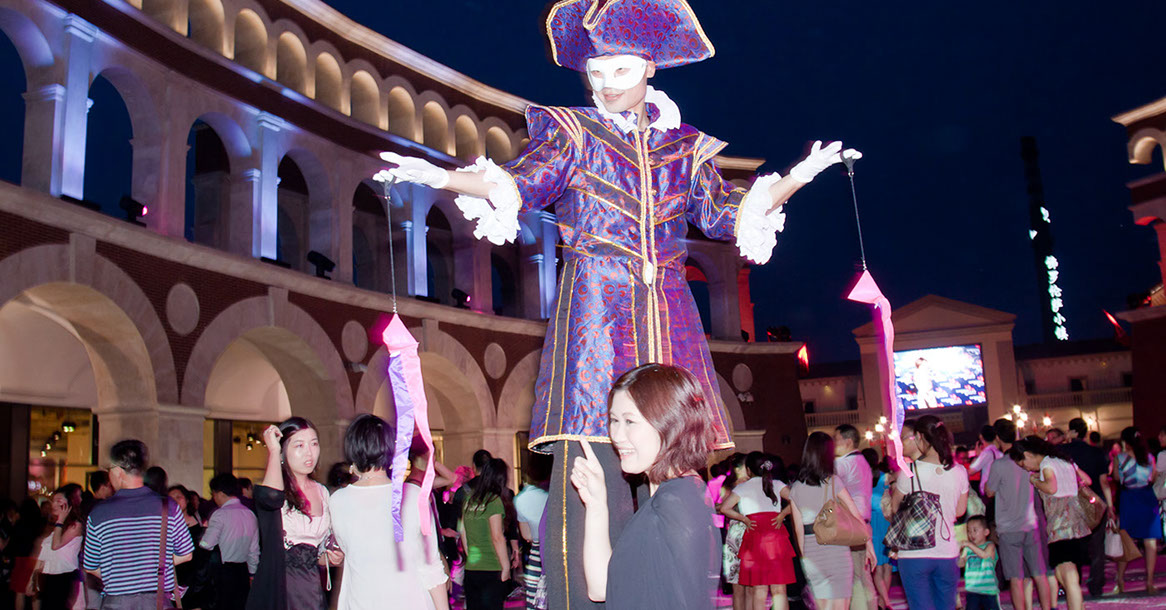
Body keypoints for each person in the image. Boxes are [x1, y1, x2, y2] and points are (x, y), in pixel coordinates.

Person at [378, 2, 859, 604]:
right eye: (596, 72)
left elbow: (726, 213)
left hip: (669, 317)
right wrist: (442, 178)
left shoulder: (685, 149)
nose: (605, 84)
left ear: (650, 68)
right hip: (595, 320)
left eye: (621, 70)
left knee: (674, 472)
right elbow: (519, 182)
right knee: (592, 467)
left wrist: (797, 178)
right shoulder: (573, 133)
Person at [569, 363, 721, 609]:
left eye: (630, 421)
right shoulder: (675, 494)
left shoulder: (676, 499)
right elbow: (601, 588)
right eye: (614, 420)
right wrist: (596, 503)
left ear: (670, 423)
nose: (617, 435)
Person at [329, 415, 448, 610]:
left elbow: (345, 552)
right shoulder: (413, 496)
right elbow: (431, 567)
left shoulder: (337, 501)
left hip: (361, 602)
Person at [82, 440, 194, 609]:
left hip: (117, 603)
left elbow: (90, 566)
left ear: (118, 471)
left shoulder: (99, 513)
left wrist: (119, 572)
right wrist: (151, 567)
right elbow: (186, 554)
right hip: (157, 602)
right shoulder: (168, 506)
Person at [247, 417, 343, 610]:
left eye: (314, 444)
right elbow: (271, 497)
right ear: (283, 451)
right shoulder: (276, 490)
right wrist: (273, 451)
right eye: (299, 445)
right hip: (279, 588)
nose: (309, 452)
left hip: (311, 589)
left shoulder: (322, 492)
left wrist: (329, 558)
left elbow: (314, 553)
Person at [890, 415, 969, 610]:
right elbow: (960, 510)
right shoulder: (959, 471)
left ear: (919, 437)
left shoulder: (909, 471)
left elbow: (895, 508)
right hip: (947, 551)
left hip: (914, 553)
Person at [789, 432, 874, 610]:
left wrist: (805, 558)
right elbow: (856, 516)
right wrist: (868, 545)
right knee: (841, 605)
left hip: (812, 551)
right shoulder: (834, 482)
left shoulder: (795, 488)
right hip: (836, 549)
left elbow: (798, 529)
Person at [1012, 437, 1090, 610]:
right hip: (1077, 524)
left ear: (1028, 454)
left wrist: (1035, 481)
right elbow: (1087, 480)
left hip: (1060, 525)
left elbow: (1051, 488)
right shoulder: (1065, 461)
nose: (1027, 468)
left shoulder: (1047, 464)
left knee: (1068, 576)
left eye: (1023, 464)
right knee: (1065, 575)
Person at [984, 419, 1051, 610]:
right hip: (1030, 523)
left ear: (998, 438)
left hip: (1008, 528)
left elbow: (989, 492)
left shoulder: (999, 465)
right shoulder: (1029, 461)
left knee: (1016, 578)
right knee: (1040, 574)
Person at [719, 452, 797, 610]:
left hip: (755, 537)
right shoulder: (777, 484)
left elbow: (724, 508)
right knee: (779, 590)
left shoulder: (742, 487)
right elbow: (798, 499)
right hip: (776, 536)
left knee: (759, 590)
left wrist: (743, 519)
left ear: (748, 470)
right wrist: (782, 514)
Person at [1061, 417, 1111, 597]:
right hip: (1095, 501)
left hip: (1071, 502)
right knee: (1097, 546)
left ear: (1071, 431)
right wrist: (1110, 506)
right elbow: (1104, 482)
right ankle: (1096, 584)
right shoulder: (1096, 452)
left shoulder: (1062, 451)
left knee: (1073, 545)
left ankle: (1072, 582)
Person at [1111, 426, 1160, 595]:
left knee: (1126, 541)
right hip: (1147, 498)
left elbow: (1117, 478)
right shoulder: (1149, 457)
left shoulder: (1120, 458)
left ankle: (1120, 579)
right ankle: (1150, 582)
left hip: (1129, 499)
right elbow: (1153, 477)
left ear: (1125, 441)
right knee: (1150, 542)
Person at [459, 457, 513, 610]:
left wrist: (471, 555)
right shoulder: (494, 501)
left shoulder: (469, 499)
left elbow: (462, 530)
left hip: (472, 569)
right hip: (491, 568)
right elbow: (497, 537)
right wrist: (506, 567)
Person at [200, 473, 260, 610]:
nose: (214, 498)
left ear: (220, 493)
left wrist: (201, 537)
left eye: (213, 494)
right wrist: (252, 573)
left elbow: (207, 544)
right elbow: (254, 550)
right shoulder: (250, 514)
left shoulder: (220, 514)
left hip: (222, 573)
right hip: (243, 572)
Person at [833, 424, 874, 610]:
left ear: (848, 441)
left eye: (836, 440)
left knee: (854, 578)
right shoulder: (863, 461)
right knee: (864, 576)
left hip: (849, 525)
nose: (833, 444)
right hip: (864, 522)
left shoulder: (841, 464)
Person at [32, 485, 84, 610]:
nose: (53, 504)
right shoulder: (56, 527)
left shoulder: (75, 525)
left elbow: (56, 545)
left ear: (69, 503)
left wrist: (60, 521)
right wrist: (32, 579)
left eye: (58, 501)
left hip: (65, 576)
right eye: (53, 501)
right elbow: (45, 554)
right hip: (49, 575)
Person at [514, 457, 550, 610]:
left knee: (537, 600)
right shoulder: (561, 492)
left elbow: (526, 535)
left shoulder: (521, 499)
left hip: (538, 552)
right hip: (565, 551)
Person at [717, 453, 749, 610]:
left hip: (734, 533)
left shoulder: (727, 486)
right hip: (746, 532)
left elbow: (720, 507)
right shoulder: (749, 485)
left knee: (738, 587)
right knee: (749, 586)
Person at [166, 485, 207, 609]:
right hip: (173, 579)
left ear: (187, 500)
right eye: (171, 498)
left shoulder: (200, 525)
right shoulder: (165, 525)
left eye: (179, 497)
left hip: (195, 580)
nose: (175, 501)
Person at [862, 449, 893, 610]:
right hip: (887, 521)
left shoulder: (861, 479)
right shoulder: (885, 477)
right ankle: (884, 601)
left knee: (877, 566)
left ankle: (885, 602)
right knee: (887, 565)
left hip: (871, 522)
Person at [958, 516, 999, 610]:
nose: (971, 534)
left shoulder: (990, 546)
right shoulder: (968, 549)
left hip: (988, 591)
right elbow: (961, 564)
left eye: (975, 530)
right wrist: (959, 554)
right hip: (972, 590)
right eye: (969, 531)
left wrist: (969, 545)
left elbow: (984, 555)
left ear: (986, 532)